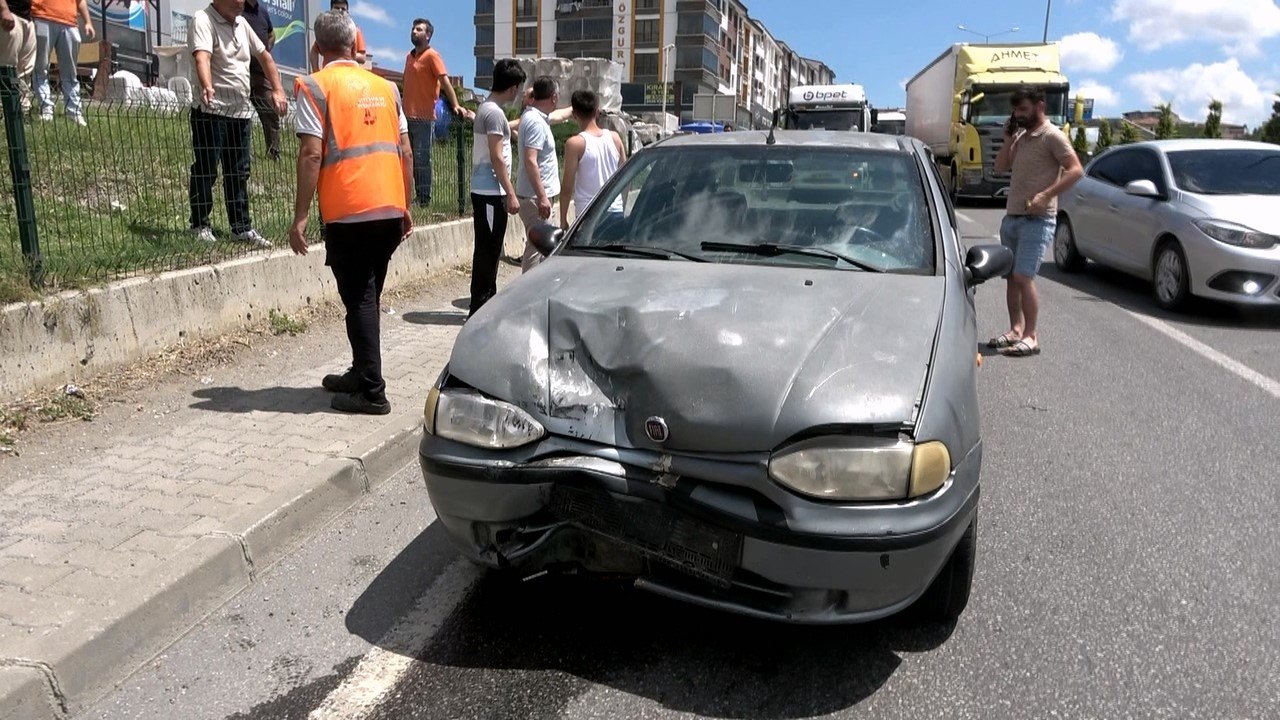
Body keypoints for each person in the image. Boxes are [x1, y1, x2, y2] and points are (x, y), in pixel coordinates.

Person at [288, 10, 412, 416]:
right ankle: (361, 372)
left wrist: (300, 217)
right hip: (389, 208)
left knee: (359, 298)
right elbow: (405, 151)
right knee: (367, 298)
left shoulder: (315, 86)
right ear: (354, 44)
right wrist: (406, 205)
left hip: (349, 210)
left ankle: (372, 392)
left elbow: (311, 153)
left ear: (317, 46)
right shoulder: (386, 88)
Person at [990, 86, 1083, 358]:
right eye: (1015, 111)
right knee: (1010, 277)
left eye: (1023, 109)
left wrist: (1046, 195)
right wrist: (1008, 139)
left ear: (1040, 106)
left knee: (1023, 276)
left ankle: (1031, 336)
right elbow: (1000, 166)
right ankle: (1015, 330)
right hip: (1012, 217)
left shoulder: (1052, 136)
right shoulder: (1021, 136)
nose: (1018, 115)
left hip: (1038, 220)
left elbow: (1076, 170)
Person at [187, 0, 286, 248]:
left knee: (239, 172)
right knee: (206, 169)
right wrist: (207, 85)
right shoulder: (203, 20)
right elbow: (202, 57)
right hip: (211, 110)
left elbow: (265, 57)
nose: (240, 2)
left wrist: (278, 89)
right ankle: (200, 225)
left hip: (240, 111)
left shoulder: (242, 24)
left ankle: (241, 227)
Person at [467, 58, 525, 317]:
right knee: (488, 253)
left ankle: (485, 303)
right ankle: (480, 309)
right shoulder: (493, 113)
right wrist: (510, 193)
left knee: (489, 250)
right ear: (513, 88)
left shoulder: (489, 110)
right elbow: (497, 157)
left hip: (489, 191)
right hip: (490, 193)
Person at [403, 17, 472, 208]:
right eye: (413, 29)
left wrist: (455, 105)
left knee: (422, 158)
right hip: (406, 116)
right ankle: (411, 196)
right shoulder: (409, 57)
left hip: (424, 117)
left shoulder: (432, 56)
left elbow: (445, 82)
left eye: (419, 29)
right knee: (409, 158)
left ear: (428, 35)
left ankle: (424, 198)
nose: (414, 32)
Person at [559, 89, 626, 232]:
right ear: (597, 112)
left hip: (587, 213)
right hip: (615, 210)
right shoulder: (615, 138)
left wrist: (563, 220)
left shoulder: (575, 144)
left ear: (574, 115)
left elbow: (567, 187)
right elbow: (625, 177)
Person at [515, 76, 559, 273]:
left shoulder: (536, 118)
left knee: (541, 249)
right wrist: (542, 196)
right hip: (535, 198)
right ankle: (528, 288)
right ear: (554, 97)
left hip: (536, 196)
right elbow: (530, 160)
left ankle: (535, 286)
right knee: (536, 248)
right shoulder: (535, 122)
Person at [30, 0, 93, 125]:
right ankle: (46, 109)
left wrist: (88, 22)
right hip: (41, 17)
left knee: (70, 72)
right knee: (40, 69)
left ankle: (74, 112)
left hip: (69, 22)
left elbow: (80, 1)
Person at [240, 0, 280, 160]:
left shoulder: (262, 12)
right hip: (241, 70)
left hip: (261, 72)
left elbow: (271, 34)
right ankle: (243, 153)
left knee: (270, 109)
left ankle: (273, 152)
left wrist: (265, 50)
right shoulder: (238, 8)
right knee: (239, 112)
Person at [0, 0, 37, 115]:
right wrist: (4, 10)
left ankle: (22, 108)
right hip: (10, 14)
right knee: (7, 66)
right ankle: (3, 108)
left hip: (27, 17)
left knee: (26, 68)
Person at [309, 0, 364, 70]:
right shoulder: (327, 29)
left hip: (350, 72)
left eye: (343, 9)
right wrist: (316, 71)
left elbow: (363, 57)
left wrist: (346, 55)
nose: (340, 11)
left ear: (347, 12)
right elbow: (314, 51)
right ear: (331, 10)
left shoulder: (354, 29)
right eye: (337, 8)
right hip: (329, 72)